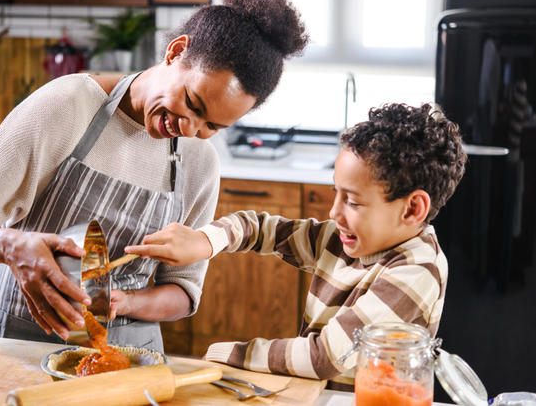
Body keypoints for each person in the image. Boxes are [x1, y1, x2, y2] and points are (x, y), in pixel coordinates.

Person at [0, 0, 309, 352]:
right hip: (18, 343)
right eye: (193, 103)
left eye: (213, 126)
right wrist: (9, 245)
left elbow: (183, 291)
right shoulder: (69, 105)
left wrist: (125, 303)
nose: (190, 128)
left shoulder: (200, 163)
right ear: (175, 52)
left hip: (128, 358)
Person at [125, 103, 467, 389]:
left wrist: (232, 355)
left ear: (412, 209)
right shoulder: (343, 240)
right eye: (337, 193)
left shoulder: (416, 269)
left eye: (354, 202)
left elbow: (324, 357)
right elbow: (258, 228)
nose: (334, 212)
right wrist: (205, 241)